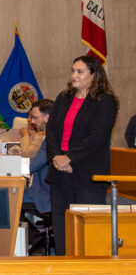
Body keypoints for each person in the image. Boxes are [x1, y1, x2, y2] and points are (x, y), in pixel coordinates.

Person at [46, 55, 118, 256]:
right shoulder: (63, 98)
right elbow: (51, 131)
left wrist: (69, 158)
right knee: (61, 226)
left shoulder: (105, 101)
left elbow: (97, 136)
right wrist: (57, 158)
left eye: (80, 71)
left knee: (87, 229)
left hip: (88, 175)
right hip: (60, 173)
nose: (74, 75)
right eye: (73, 71)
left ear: (94, 76)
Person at [21, 99, 54, 215]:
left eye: (35, 118)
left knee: (6, 197)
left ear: (47, 117)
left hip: (44, 194)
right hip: (41, 189)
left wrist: (9, 169)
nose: (32, 121)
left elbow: (32, 166)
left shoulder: (52, 139)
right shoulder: (50, 136)